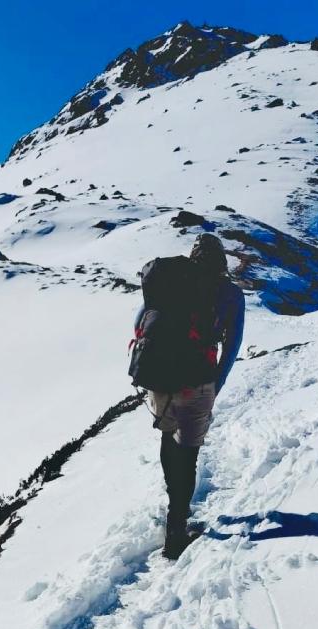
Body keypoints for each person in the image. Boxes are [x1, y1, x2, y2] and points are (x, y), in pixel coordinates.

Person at [129, 233, 245, 559]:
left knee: (168, 438)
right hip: (198, 382)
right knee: (189, 453)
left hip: (160, 379)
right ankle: (176, 530)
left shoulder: (170, 282)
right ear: (222, 261)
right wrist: (216, 384)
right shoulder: (230, 293)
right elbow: (233, 344)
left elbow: (140, 320)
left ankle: (174, 507)